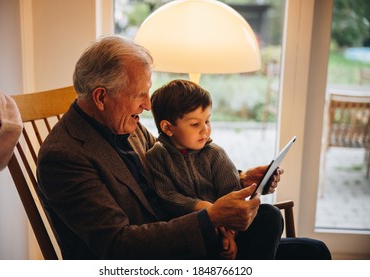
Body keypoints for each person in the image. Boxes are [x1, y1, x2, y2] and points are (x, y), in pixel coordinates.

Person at [37, 35, 331, 260]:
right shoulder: (64, 157)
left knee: (313, 252)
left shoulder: (122, 121)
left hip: (183, 238)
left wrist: (241, 181)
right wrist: (211, 217)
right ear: (101, 97)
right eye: (139, 94)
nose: (148, 105)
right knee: (270, 222)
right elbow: (117, 246)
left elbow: (173, 168)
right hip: (152, 260)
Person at [146, 79, 255, 259]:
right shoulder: (157, 155)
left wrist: (229, 235)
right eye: (195, 124)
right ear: (167, 127)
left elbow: (231, 193)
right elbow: (167, 196)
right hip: (191, 231)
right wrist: (202, 207)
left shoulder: (215, 154)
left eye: (208, 121)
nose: (205, 130)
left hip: (228, 227)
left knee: (270, 216)